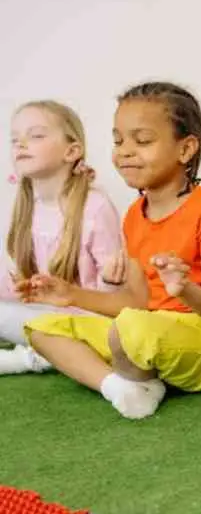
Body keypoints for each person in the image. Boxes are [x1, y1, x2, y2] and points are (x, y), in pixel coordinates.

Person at [24, 82, 201, 420]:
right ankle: (120, 387)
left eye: (142, 141)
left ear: (185, 150)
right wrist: (70, 294)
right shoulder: (133, 215)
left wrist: (183, 289)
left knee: (131, 328)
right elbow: (135, 301)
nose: (125, 151)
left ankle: (135, 376)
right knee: (43, 328)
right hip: (145, 328)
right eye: (118, 141)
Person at [0, 100, 122, 374]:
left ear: (72, 151)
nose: (20, 144)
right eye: (14, 139)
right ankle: (43, 350)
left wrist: (109, 280)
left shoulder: (95, 206)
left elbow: (113, 296)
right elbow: (19, 282)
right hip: (42, 313)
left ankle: (34, 357)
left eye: (36, 135)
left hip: (85, 318)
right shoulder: (25, 205)